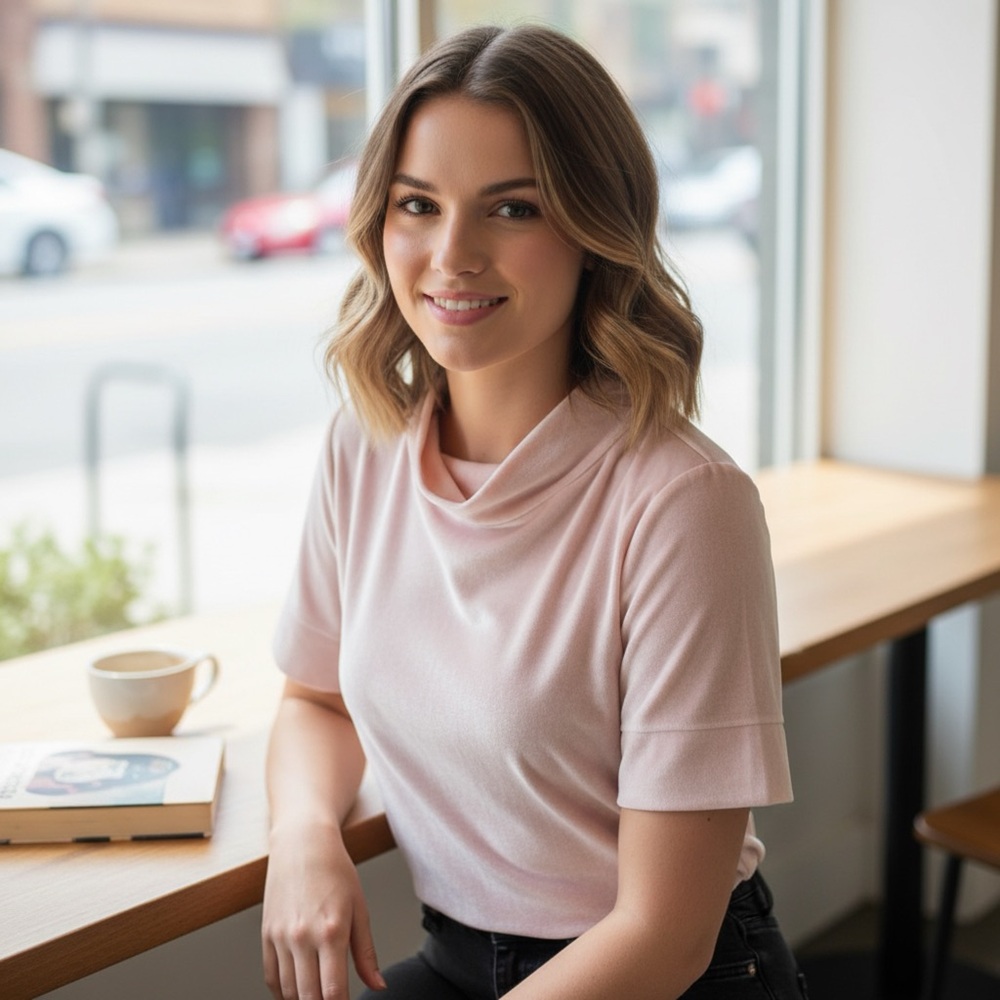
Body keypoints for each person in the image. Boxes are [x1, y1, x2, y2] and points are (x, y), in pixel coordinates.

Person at [262, 21, 808, 1000]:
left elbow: (663, 932)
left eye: (512, 208)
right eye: (417, 205)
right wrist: (303, 837)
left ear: (595, 228)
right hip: (461, 958)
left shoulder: (684, 503)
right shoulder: (366, 445)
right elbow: (313, 697)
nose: (451, 254)